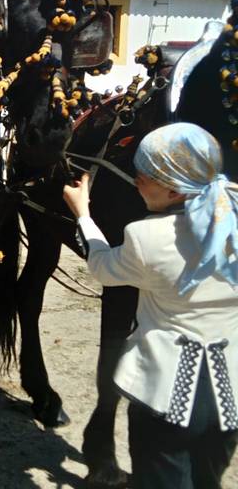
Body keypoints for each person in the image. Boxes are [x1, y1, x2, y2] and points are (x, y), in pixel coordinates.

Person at [63, 122, 238, 489]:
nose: (136, 181)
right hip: (230, 394)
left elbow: (101, 267)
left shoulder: (147, 237)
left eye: (144, 175)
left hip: (166, 393)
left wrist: (84, 216)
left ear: (173, 190)